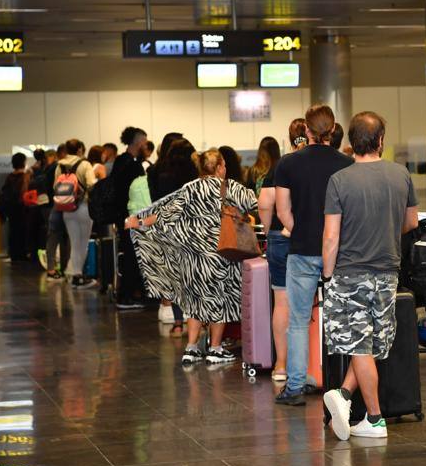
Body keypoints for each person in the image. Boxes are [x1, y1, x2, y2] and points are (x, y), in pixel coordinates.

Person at [321, 112, 419, 439]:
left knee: (359, 346)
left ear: (351, 142)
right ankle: (343, 394)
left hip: (349, 273)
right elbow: (411, 222)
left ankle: (375, 419)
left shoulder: (339, 180)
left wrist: (327, 275)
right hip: (388, 273)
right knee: (371, 343)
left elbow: (331, 236)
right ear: (380, 140)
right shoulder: (400, 174)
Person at [128, 149, 257, 364]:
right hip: (219, 255)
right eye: (224, 165)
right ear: (219, 167)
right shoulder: (229, 187)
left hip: (191, 257)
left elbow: (164, 214)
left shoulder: (189, 188)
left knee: (195, 301)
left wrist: (139, 222)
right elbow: (256, 203)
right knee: (219, 300)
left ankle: (191, 348)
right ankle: (215, 349)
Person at [274, 105, 353, 405]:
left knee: (298, 320)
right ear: (332, 130)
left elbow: (283, 211)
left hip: (302, 251)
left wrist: (303, 230)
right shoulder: (347, 164)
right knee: (343, 319)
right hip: (340, 251)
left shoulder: (288, 163)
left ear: (306, 130)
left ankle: (295, 387)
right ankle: (339, 384)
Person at [146, 138, 199, 336]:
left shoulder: (155, 171)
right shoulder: (194, 174)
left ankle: (178, 323)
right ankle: (197, 322)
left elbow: (154, 201)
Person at [257, 133, 296, 382]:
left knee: (281, 300)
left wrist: (268, 228)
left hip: (280, 237)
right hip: (315, 239)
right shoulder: (328, 162)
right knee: (312, 301)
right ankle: (313, 364)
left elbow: (264, 204)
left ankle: (281, 365)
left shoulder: (280, 166)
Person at [110, 126, 149, 310]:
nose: (146, 146)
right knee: (133, 256)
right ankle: (126, 296)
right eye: (144, 142)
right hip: (131, 216)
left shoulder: (120, 161)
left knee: (129, 254)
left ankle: (128, 293)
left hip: (121, 216)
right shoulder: (133, 165)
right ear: (137, 142)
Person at [56, 139, 97, 289]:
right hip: (84, 208)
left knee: (74, 243)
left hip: (67, 208)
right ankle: (77, 276)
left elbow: (55, 186)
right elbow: (91, 184)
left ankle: (72, 273)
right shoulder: (85, 164)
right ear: (80, 149)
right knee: (83, 244)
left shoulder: (60, 165)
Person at [42, 143, 70, 280]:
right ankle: (64, 269)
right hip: (69, 205)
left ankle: (51, 269)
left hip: (56, 204)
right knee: (65, 238)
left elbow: (52, 187)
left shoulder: (53, 167)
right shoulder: (62, 166)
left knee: (53, 237)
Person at [0, 152, 30, 262]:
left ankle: (13, 255)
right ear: (23, 162)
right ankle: (22, 254)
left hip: (11, 208)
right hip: (22, 208)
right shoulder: (26, 176)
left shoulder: (9, 177)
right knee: (23, 231)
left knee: (13, 231)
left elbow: (4, 192)